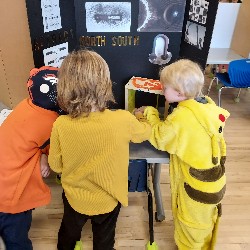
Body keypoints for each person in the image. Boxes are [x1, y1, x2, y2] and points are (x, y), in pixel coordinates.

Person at [48, 49, 151, 250]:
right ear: (104, 84)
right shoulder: (123, 119)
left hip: (75, 198)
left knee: (68, 233)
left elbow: (56, 165)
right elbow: (144, 133)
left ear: (65, 87)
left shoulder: (60, 124)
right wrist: (143, 116)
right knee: (104, 240)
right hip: (109, 198)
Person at [134, 59, 230, 249]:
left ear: (179, 92)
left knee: (190, 224)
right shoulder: (207, 107)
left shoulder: (182, 118)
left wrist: (150, 113)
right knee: (204, 222)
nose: (162, 89)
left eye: (165, 87)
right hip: (214, 181)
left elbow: (160, 137)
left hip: (195, 186)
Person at [0, 66, 61, 249]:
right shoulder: (51, 123)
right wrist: (45, 155)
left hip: (3, 181)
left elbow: (30, 139)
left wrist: (40, 154)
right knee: (16, 241)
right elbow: (58, 157)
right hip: (11, 197)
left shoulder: (25, 105)